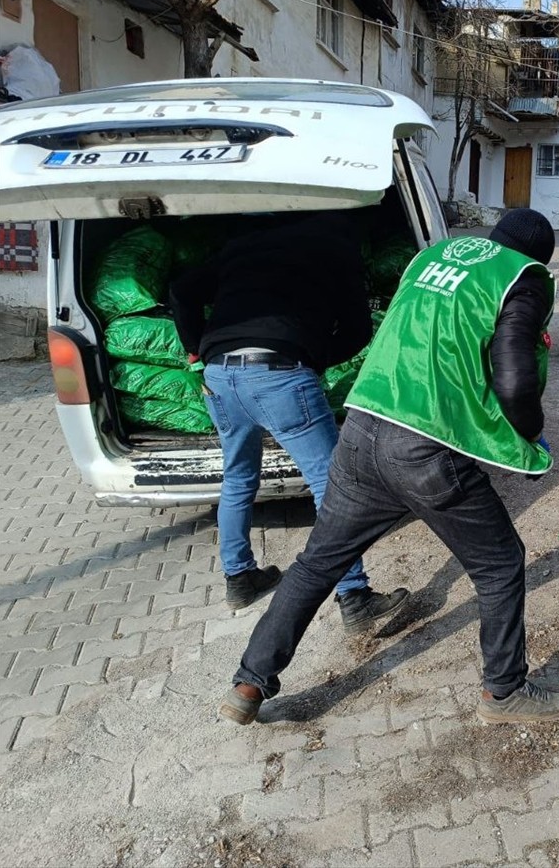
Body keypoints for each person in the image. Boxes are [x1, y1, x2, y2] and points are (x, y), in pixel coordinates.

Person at [219, 208, 559, 726]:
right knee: (499, 564)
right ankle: (505, 692)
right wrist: (528, 436)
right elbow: (516, 380)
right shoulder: (521, 280)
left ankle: (249, 683)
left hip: (362, 429)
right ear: (536, 259)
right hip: (425, 448)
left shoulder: (432, 258)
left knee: (319, 562)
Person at [170, 211, 408, 635]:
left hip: (219, 375)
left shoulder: (242, 247)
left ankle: (239, 578)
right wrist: (312, 360)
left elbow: (182, 289)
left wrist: (194, 347)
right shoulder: (337, 249)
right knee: (334, 484)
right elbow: (356, 331)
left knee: (239, 476)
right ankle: (355, 597)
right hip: (280, 372)